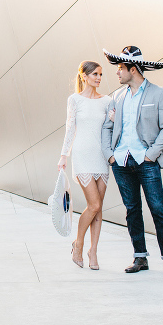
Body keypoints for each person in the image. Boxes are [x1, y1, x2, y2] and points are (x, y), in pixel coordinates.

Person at [102, 46, 163, 277]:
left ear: (133, 69)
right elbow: (107, 127)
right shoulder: (117, 96)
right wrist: (110, 155)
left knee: (158, 209)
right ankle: (140, 257)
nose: (117, 73)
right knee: (132, 210)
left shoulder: (159, 94)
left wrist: (151, 154)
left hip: (146, 162)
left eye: (121, 68)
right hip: (122, 163)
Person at [57, 61, 113, 270]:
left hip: (101, 157)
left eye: (100, 74)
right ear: (84, 76)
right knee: (94, 205)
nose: (99, 78)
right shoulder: (75, 100)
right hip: (82, 155)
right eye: (95, 74)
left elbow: (109, 128)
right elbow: (70, 128)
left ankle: (94, 251)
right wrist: (64, 155)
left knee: (98, 208)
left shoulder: (107, 101)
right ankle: (78, 243)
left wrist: (113, 119)